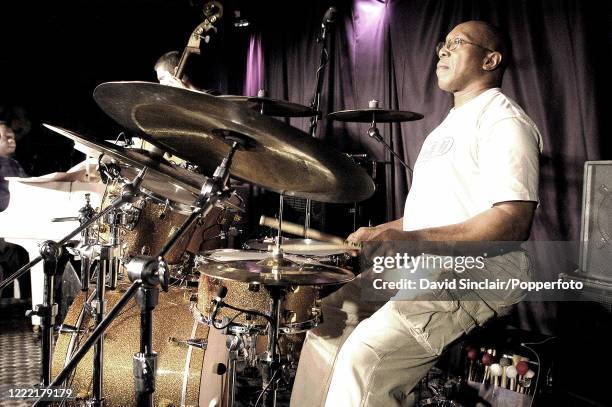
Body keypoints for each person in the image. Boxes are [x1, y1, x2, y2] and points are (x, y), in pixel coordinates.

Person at [290, 20, 542, 406]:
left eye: (457, 43)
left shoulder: (503, 120)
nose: (442, 50)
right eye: (442, 43)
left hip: (481, 269)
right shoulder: (448, 127)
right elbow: (433, 214)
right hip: (427, 259)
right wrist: (383, 231)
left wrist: (407, 240)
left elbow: (512, 222)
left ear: (491, 59)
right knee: (326, 319)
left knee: (367, 358)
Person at [0, 120, 30, 299]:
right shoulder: (6, 164)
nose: (13, 141)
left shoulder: (11, 163)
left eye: (13, 137)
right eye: (7, 138)